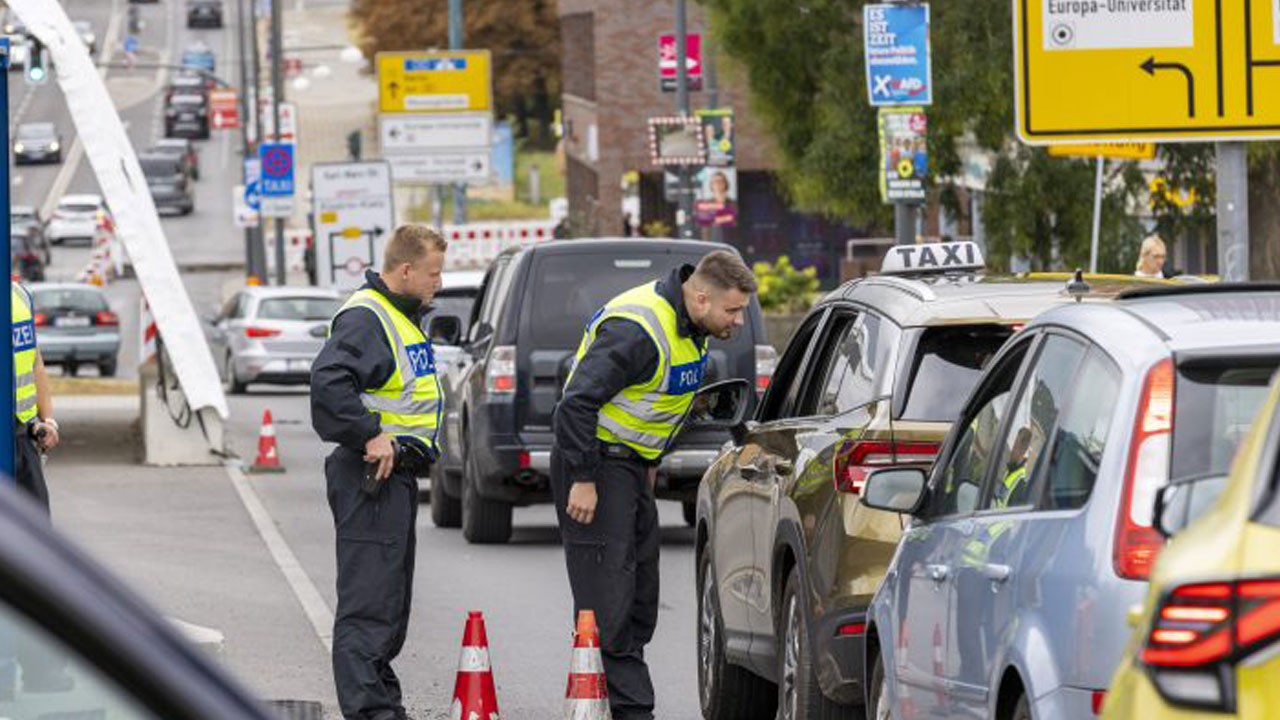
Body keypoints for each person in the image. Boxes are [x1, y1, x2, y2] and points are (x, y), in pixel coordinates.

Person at [551, 250, 758, 720]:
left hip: (630, 467)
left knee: (641, 595)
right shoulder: (639, 330)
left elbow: (653, 401)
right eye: (733, 310)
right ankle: (632, 711)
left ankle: (617, 701)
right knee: (610, 602)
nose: (740, 321)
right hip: (596, 466)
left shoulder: (690, 324)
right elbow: (576, 404)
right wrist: (584, 478)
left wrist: (648, 460)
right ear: (701, 297)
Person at [310, 225, 447, 720]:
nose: (439, 281)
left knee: (388, 605)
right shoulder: (369, 317)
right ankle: (371, 712)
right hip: (370, 473)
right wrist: (368, 432)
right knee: (369, 607)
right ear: (405, 270)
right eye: (433, 273)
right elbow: (328, 383)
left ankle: (384, 705)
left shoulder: (397, 316)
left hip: (394, 476)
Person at [12, 282, 59, 513]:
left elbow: (35, 363)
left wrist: (48, 421)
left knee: (37, 529)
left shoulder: (19, 294)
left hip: (23, 435)